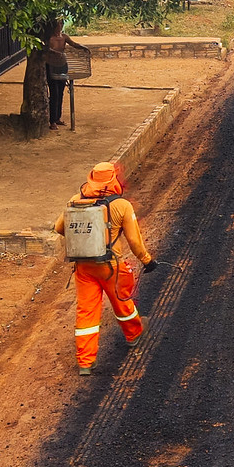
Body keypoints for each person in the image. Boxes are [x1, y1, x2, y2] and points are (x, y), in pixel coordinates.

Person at [53, 161, 157, 377]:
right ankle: (134, 335)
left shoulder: (76, 201)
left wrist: (83, 240)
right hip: (111, 267)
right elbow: (135, 242)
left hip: (83, 267)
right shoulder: (121, 206)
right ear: (113, 180)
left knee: (86, 312)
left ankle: (85, 362)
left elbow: (59, 227)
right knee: (122, 303)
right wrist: (147, 260)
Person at [44, 26, 70, 127]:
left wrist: (82, 47)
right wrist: (55, 52)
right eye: (57, 25)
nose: (58, 27)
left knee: (61, 93)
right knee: (54, 93)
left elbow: (73, 44)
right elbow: (46, 48)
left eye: (60, 24)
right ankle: (52, 120)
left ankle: (57, 117)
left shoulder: (64, 37)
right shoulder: (49, 38)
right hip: (51, 65)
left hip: (62, 65)